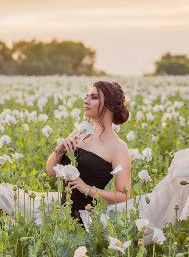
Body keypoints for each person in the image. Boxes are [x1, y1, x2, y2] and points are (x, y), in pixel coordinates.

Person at [45, 81, 132, 224]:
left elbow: (124, 195)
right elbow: (50, 171)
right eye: (86, 96)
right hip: (60, 216)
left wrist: (88, 189)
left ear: (109, 104)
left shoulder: (119, 147)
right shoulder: (81, 131)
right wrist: (59, 151)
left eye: (94, 97)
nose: (86, 101)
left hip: (86, 221)